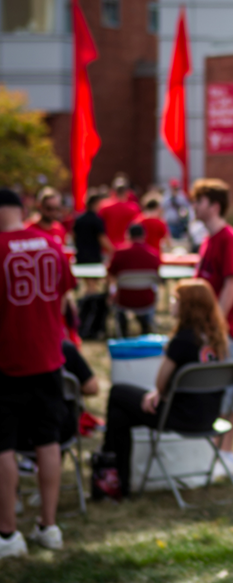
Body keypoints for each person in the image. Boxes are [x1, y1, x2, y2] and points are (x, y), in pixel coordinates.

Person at [99, 279, 231, 497]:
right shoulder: (217, 339)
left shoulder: (183, 340)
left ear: (188, 306)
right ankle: (117, 477)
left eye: (176, 300)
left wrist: (159, 393)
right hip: (209, 417)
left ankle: (113, 474)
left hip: (179, 417)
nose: (171, 304)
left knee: (117, 394)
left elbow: (160, 382)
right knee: (120, 415)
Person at [0, 187, 75, 557]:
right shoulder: (51, 244)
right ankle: (49, 525)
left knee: (4, 447)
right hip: (48, 359)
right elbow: (62, 297)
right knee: (48, 443)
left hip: (8, 362)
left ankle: (7, 534)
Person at [192, 178, 233, 474]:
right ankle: (215, 451)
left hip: (225, 332)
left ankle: (227, 454)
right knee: (213, 391)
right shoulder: (209, 240)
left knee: (229, 392)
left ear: (213, 205)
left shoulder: (228, 238)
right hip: (210, 332)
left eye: (198, 201)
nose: (194, 207)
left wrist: (217, 324)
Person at [107, 223, 162, 337]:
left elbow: (110, 275)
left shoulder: (120, 253)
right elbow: (158, 276)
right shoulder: (153, 254)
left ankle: (123, 333)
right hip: (146, 299)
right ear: (144, 235)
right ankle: (146, 328)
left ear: (128, 235)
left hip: (124, 299)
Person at [98, 179, 140, 249]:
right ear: (127, 192)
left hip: (107, 248)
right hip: (126, 248)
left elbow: (99, 229)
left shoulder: (104, 206)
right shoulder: (133, 208)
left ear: (113, 191)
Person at [73, 192, 112, 265]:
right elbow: (102, 239)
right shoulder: (97, 220)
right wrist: (112, 251)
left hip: (81, 257)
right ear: (95, 203)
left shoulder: (78, 219)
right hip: (93, 259)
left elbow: (74, 236)